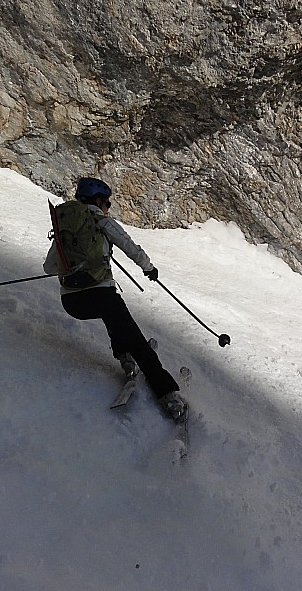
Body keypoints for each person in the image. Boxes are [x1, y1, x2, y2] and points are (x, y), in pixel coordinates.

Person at [43, 177, 187, 421]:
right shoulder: (101, 220)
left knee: (113, 315)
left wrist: (79, 261)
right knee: (135, 336)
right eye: (106, 202)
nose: (108, 207)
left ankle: (125, 357)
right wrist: (148, 268)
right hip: (100, 296)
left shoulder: (66, 228)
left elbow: (49, 267)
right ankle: (168, 394)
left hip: (72, 303)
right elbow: (129, 245)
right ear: (98, 201)